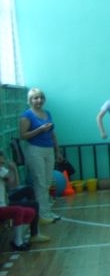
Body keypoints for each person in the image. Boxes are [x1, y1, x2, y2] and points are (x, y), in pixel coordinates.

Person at [18, 87, 61, 220]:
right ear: (30, 100)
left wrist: (57, 150)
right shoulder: (26, 115)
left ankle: (46, 211)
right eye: (35, 98)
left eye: (41, 97)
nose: (39, 100)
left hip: (49, 149)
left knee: (47, 181)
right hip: (35, 150)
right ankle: (43, 214)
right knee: (40, 182)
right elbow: (23, 135)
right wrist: (40, 129)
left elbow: (52, 133)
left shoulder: (47, 113)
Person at [1, 150, 49, 249]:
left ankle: (31, 234)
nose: (2, 164)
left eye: (2, 162)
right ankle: (19, 241)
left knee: (31, 198)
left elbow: (14, 185)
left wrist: (14, 169)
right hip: (3, 204)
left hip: (5, 201)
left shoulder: (1, 169)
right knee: (21, 209)